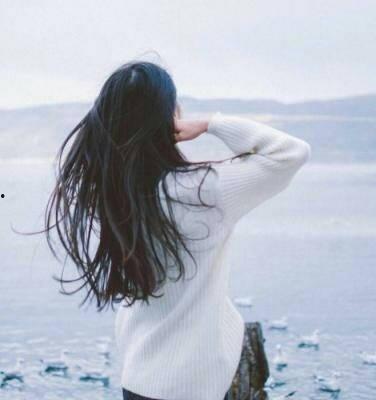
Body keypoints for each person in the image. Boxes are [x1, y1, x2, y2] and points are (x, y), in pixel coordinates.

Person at [42, 58, 311, 400]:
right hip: (190, 388)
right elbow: (291, 153)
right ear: (170, 116)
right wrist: (211, 124)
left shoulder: (114, 192)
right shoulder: (203, 191)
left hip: (138, 379)